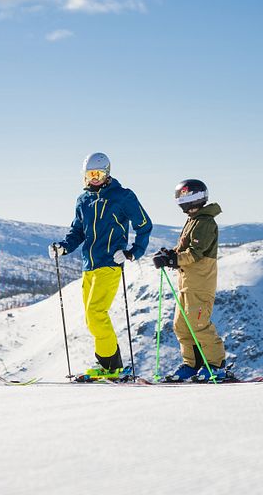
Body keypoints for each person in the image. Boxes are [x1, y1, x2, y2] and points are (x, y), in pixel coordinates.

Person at [50, 152, 152, 380]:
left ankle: (111, 368)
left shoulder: (123, 196)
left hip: (110, 263)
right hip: (89, 266)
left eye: (98, 174)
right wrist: (64, 247)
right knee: (90, 317)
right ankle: (110, 365)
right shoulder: (83, 200)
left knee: (97, 313)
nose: (94, 179)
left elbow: (144, 225)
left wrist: (132, 253)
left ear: (108, 173)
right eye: (90, 175)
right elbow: (77, 231)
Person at [152, 179, 227, 382]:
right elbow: (184, 250)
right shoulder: (193, 219)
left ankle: (216, 365)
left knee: (199, 325)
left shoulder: (205, 222)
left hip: (200, 284)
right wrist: (171, 254)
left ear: (194, 197)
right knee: (181, 326)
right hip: (187, 283)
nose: (180, 200)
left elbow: (195, 254)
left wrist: (173, 259)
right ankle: (192, 364)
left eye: (183, 195)